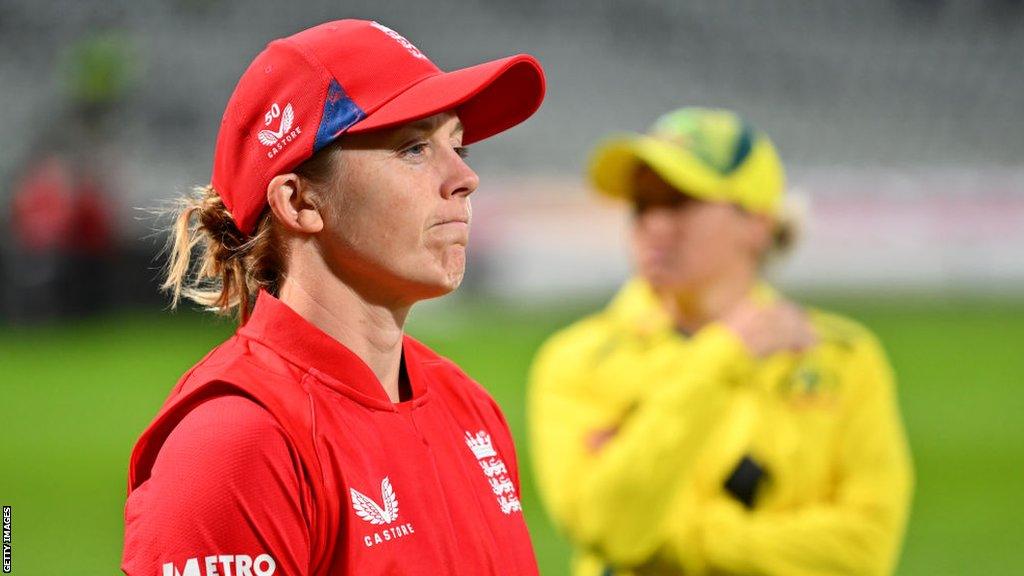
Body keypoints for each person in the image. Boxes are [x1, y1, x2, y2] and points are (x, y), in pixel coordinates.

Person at [122, 20, 545, 576]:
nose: (465, 177)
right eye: (414, 148)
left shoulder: (470, 410)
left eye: (457, 145)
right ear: (299, 203)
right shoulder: (235, 443)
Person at [528, 108, 913, 576]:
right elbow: (608, 527)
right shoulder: (576, 359)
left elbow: (865, 550)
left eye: (680, 201)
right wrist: (723, 354)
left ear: (756, 222)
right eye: (643, 205)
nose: (654, 224)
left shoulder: (844, 358)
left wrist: (676, 537)